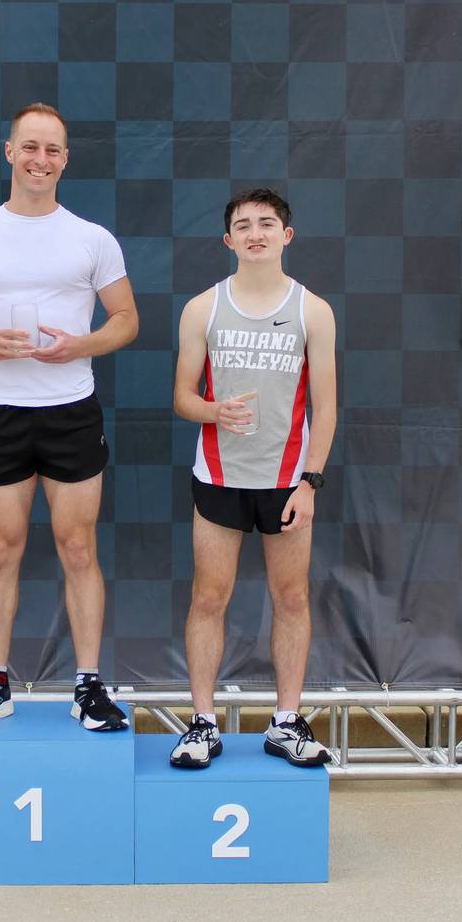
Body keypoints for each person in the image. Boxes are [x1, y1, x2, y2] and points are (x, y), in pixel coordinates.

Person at [0, 103, 139, 731]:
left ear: (65, 160)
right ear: (10, 152)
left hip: (71, 410)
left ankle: (89, 684)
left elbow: (126, 320)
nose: (41, 160)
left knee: (78, 547)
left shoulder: (92, 237)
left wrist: (81, 344)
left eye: (53, 150)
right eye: (31, 147)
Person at [168, 188, 338, 769]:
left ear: (286, 236)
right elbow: (182, 398)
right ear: (228, 240)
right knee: (208, 596)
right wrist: (212, 411)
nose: (255, 233)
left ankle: (286, 722)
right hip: (218, 477)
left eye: (267, 224)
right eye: (243, 225)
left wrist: (310, 482)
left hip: (287, 480)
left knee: (290, 597)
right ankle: (201, 723)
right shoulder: (203, 308)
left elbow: (327, 406)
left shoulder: (313, 309)